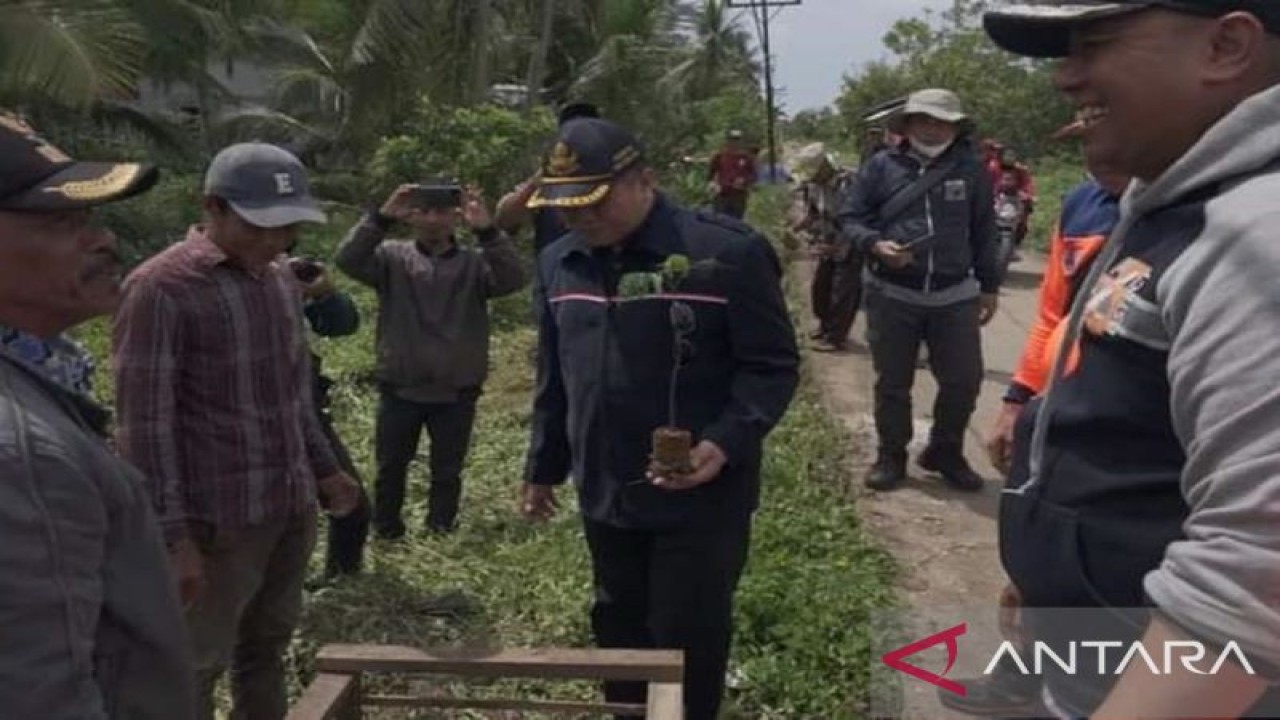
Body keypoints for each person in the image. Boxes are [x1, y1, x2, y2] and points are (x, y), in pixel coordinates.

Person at [983, 2, 1280, 717]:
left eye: (1095, 43)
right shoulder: (1174, 203)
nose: (1065, 77)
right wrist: (1046, 554)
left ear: (1226, 45)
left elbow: (1256, 574)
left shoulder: (1260, 234)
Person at [519, 118, 798, 720]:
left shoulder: (726, 254)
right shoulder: (560, 263)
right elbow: (555, 378)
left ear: (644, 180)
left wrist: (723, 443)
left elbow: (771, 367)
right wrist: (543, 466)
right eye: (566, 206)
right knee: (616, 625)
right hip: (605, 489)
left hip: (700, 499)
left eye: (593, 201)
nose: (578, 218)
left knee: (687, 638)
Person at [112, 142, 361, 720]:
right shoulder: (161, 288)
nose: (274, 243)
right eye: (258, 228)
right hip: (216, 523)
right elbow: (143, 426)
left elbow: (291, 394)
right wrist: (174, 539)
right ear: (213, 208)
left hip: (286, 505)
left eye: (287, 229)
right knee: (196, 665)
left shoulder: (277, 279)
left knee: (267, 649)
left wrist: (325, 469)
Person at [0, 112, 196, 720]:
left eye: (88, 217)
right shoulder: (25, 456)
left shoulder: (42, 382)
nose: (104, 240)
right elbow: (42, 696)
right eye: (63, 223)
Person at [941, 139, 1128, 719]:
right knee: (1030, 561)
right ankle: (1021, 675)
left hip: (1129, 438)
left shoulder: (1205, 217)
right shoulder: (1082, 206)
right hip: (1056, 417)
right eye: (1089, 128)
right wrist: (1018, 400)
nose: (1100, 141)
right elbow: (1052, 313)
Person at [336, 178, 525, 537]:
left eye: (441, 211)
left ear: (455, 216)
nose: (433, 219)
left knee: (447, 470)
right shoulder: (391, 258)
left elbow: (514, 279)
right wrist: (379, 218)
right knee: (390, 467)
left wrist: (487, 230)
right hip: (400, 386)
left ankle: (440, 531)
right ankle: (387, 530)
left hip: (456, 390)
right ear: (410, 216)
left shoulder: (475, 265)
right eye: (423, 210)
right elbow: (347, 260)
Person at [838, 87, 1001, 492]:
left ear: (954, 127)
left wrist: (990, 285)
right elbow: (851, 217)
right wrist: (875, 244)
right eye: (924, 120)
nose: (933, 128)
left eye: (941, 121)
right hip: (892, 292)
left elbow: (984, 230)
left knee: (964, 380)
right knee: (893, 382)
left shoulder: (971, 169)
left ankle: (945, 451)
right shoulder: (879, 167)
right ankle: (891, 455)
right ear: (908, 125)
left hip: (955, 294)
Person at [289, 256, 372, 577]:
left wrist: (323, 293)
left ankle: (341, 577)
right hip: (244, 420)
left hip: (306, 410)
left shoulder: (283, 279)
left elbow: (343, 324)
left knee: (351, 503)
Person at [494, 101, 601, 254]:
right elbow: (504, 220)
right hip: (555, 269)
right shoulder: (548, 178)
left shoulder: (614, 173)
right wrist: (536, 183)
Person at [787, 142, 861, 352]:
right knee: (821, 288)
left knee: (843, 293)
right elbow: (813, 214)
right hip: (828, 240)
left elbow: (857, 220)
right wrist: (795, 228)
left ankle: (836, 338)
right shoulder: (813, 186)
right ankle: (825, 326)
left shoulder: (849, 184)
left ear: (824, 167)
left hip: (849, 243)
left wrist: (838, 246)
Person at [991, 145, 1037, 248]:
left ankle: (1016, 244)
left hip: (1013, 200)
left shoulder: (1021, 170)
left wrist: (1030, 195)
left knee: (1024, 218)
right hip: (995, 198)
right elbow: (985, 182)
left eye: (1012, 155)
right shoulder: (993, 167)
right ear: (1001, 156)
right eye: (1007, 155)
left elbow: (1028, 183)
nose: (1009, 158)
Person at [707, 128, 757, 219]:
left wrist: (744, 181)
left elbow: (753, 175)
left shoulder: (747, 158)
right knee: (720, 220)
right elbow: (711, 172)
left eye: (737, 140)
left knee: (736, 221)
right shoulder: (720, 156)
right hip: (722, 194)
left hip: (739, 195)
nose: (735, 143)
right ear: (728, 141)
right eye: (732, 139)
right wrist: (713, 184)